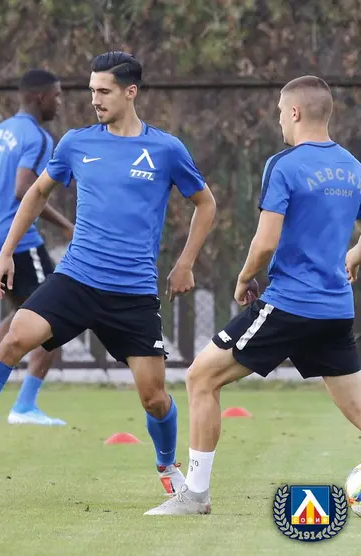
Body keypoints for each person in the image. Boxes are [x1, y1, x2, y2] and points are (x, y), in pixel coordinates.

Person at [0, 51, 217, 493]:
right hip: (76, 279)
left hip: (132, 293)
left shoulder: (166, 149)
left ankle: (168, 469)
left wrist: (184, 263)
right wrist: (6, 253)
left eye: (104, 91)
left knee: (154, 398)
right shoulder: (76, 143)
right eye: (92, 90)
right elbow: (35, 194)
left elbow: (206, 204)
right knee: (15, 338)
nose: (95, 99)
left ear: (131, 92)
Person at [146, 76, 361, 515]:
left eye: (281, 112)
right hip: (335, 310)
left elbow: (265, 243)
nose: (279, 120)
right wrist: (353, 256)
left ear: (295, 112)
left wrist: (245, 277)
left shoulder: (284, 165)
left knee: (201, 378)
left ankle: (195, 495)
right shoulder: (354, 167)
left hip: (290, 305)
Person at [0, 68, 74, 426]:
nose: (59, 102)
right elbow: (25, 190)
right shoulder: (38, 137)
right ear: (40, 97)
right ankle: (25, 406)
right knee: (57, 312)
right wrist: (67, 226)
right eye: (56, 95)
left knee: (22, 314)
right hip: (17, 241)